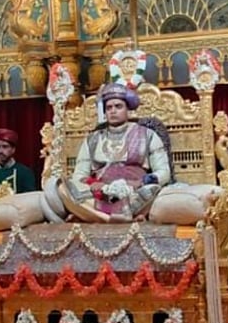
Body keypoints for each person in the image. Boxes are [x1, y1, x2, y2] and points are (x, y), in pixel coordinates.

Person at [63, 82, 171, 222]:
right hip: (101, 193)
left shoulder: (147, 135)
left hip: (134, 190)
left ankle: (97, 216)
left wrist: (140, 182)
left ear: (128, 110)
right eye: (109, 108)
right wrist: (93, 183)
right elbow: (79, 175)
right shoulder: (92, 139)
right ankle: (113, 217)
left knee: (154, 190)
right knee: (62, 187)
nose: (113, 111)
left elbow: (164, 172)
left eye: (118, 106)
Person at [0, 128, 37, 193]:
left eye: (5, 146)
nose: (0, 151)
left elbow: (30, 198)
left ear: (13, 149)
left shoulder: (24, 172)